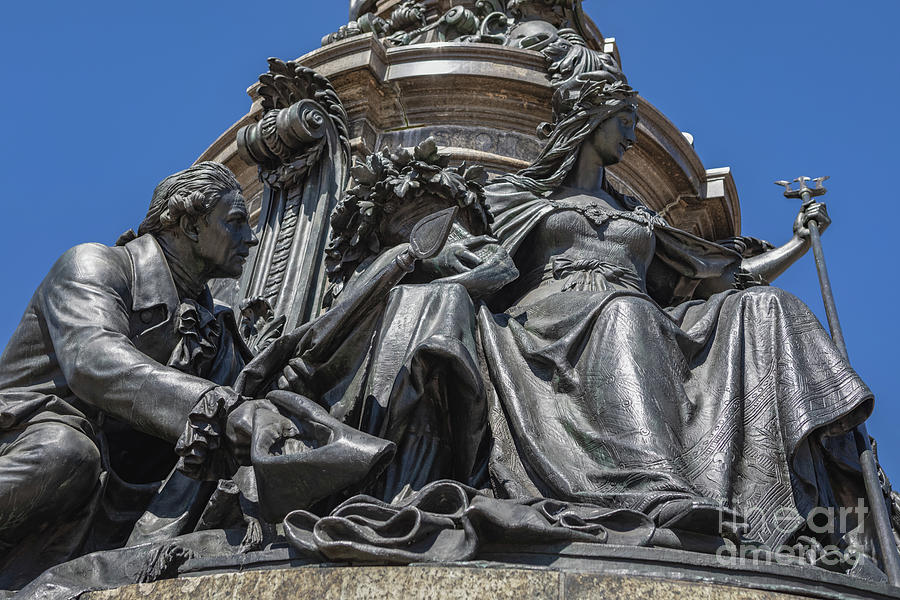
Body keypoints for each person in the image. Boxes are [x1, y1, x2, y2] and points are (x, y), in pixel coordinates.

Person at [476, 46, 876, 556]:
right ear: (591, 120)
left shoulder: (638, 217)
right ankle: (655, 489)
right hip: (550, 321)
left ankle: (781, 505)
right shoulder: (523, 198)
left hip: (637, 315)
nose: (631, 134)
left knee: (768, 308)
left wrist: (796, 244)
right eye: (623, 120)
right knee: (626, 310)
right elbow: (480, 262)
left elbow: (724, 277)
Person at [0, 161, 274, 586]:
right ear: (190, 224)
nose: (250, 237)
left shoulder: (214, 327)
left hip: (110, 491)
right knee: (65, 452)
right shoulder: (93, 266)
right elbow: (95, 361)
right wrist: (215, 407)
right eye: (235, 222)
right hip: (24, 440)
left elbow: (248, 399)